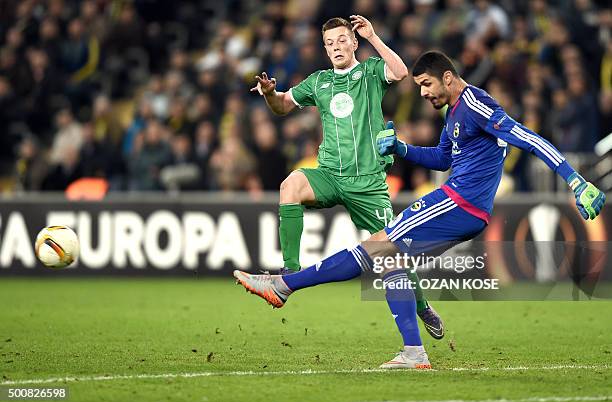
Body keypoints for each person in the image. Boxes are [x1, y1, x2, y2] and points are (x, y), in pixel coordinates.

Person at [234, 51, 605, 369]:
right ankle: (413, 351)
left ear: (447, 77)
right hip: (467, 209)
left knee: (378, 246)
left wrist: (575, 180)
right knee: (390, 258)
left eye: (427, 84)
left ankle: (285, 285)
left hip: (457, 202)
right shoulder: (455, 112)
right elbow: (444, 157)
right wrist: (400, 148)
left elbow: (527, 137)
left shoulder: (475, 105)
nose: (424, 93)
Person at [250, 15, 444, 339]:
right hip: (330, 174)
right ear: (325, 50)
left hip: (368, 183)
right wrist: (270, 94)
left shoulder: (369, 71)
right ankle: (289, 274)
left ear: (354, 42)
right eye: (330, 43)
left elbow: (399, 71)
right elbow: (282, 105)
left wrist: (374, 37)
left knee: (391, 255)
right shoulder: (319, 82)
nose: (336, 47)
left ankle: (422, 305)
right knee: (291, 185)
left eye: (342, 40)